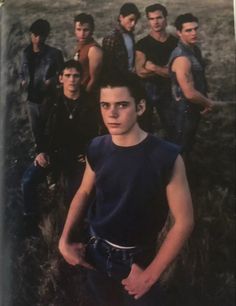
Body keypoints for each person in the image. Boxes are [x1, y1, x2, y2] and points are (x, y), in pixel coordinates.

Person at [59, 75, 194, 306]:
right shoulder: (97, 147)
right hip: (95, 252)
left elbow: (184, 221)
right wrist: (64, 239)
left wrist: (149, 276)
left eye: (122, 105)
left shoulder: (165, 156)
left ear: (140, 107)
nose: (112, 113)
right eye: (105, 105)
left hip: (138, 260)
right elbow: (83, 192)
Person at [21, 60, 97, 232]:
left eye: (76, 76)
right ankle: (31, 221)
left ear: (82, 78)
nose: (72, 80)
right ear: (61, 78)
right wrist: (40, 151)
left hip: (78, 158)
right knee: (27, 181)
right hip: (53, 154)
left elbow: (98, 134)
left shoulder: (91, 103)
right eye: (68, 76)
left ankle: (75, 231)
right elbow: (39, 130)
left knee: (74, 195)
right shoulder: (51, 102)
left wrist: (89, 154)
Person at [168, 13, 215, 154]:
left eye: (195, 29)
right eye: (188, 30)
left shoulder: (194, 50)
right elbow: (189, 93)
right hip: (184, 110)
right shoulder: (182, 58)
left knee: (188, 143)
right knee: (180, 148)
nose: (194, 33)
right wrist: (207, 102)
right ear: (179, 33)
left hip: (193, 108)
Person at [135, 3, 178, 134]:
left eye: (159, 17)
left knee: (172, 127)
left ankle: (174, 154)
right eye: (152, 18)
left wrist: (153, 67)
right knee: (144, 128)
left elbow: (175, 74)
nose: (156, 22)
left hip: (169, 91)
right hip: (147, 90)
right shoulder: (142, 44)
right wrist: (164, 70)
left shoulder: (175, 43)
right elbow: (141, 72)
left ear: (165, 19)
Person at [20, 19, 64, 142]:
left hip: (48, 100)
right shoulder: (26, 53)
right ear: (31, 34)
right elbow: (22, 72)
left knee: (50, 132)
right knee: (36, 133)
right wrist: (23, 81)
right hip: (31, 100)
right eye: (35, 35)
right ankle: (38, 157)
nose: (38, 39)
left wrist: (51, 81)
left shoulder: (54, 54)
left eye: (42, 36)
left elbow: (63, 76)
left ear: (46, 36)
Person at [102, 2, 141, 79]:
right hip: (116, 80)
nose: (133, 24)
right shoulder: (111, 37)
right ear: (121, 17)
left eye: (135, 21)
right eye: (131, 19)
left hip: (131, 78)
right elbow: (108, 65)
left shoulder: (130, 35)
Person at [73, 13, 103, 94]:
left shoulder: (93, 49)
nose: (82, 34)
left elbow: (94, 80)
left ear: (92, 30)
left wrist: (84, 96)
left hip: (89, 93)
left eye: (86, 30)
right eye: (78, 29)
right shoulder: (80, 45)